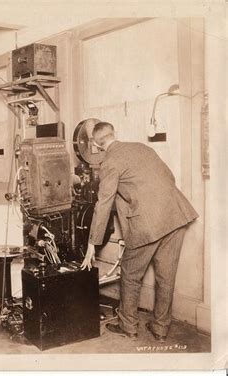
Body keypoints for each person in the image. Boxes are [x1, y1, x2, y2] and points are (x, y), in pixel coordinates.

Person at [80, 122, 198, 342]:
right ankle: (161, 330)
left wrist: (91, 244)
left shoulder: (110, 162)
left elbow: (103, 204)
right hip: (176, 214)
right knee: (166, 277)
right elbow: (168, 177)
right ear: (114, 134)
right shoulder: (143, 148)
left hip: (147, 223)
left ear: (96, 144)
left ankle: (128, 326)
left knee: (131, 275)